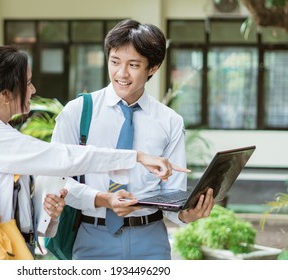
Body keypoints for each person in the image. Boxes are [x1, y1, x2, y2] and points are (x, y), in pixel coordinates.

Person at [0, 45, 189, 257]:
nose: (33, 90)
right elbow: (64, 158)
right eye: (28, 83)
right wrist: (136, 157)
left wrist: (50, 211)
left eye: (133, 64)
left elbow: (15, 202)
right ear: (5, 94)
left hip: (9, 248)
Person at [51, 19, 215, 260]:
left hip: (151, 241)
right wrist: (103, 199)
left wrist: (184, 215)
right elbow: (56, 180)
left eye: (133, 65)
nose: (121, 73)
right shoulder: (77, 112)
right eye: (115, 62)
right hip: (91, 237)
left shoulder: (169, 121)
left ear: (153, 68)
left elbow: (171, 192)